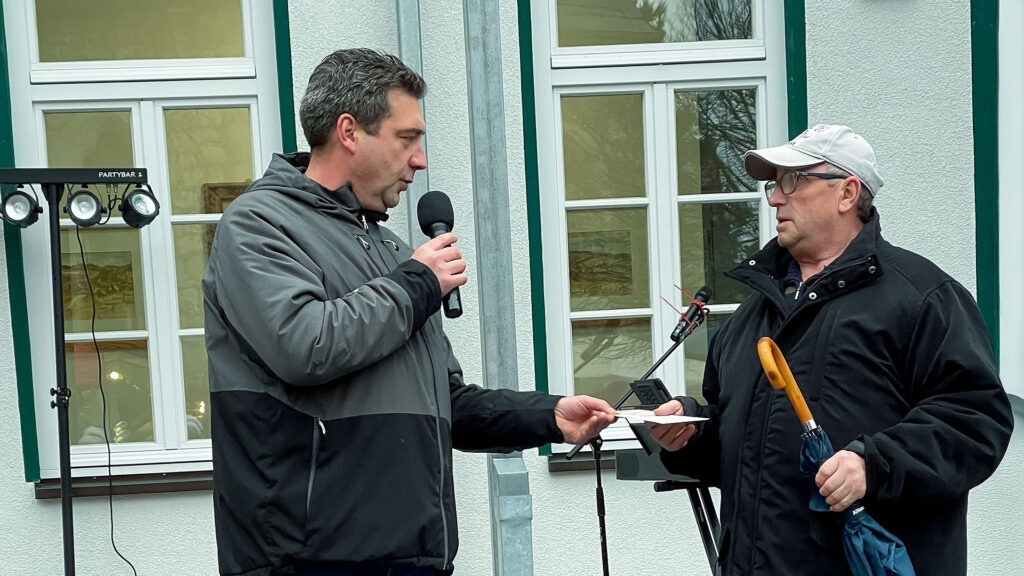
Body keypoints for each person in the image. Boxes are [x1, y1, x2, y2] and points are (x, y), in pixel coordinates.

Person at [202, 48, 616, 576]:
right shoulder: (259, 226)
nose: (419, 160)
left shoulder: (393, 251)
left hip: (414, 556)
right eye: (407, 138)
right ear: (349, 131)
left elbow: (446, 402)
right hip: (308, 560)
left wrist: (547, 416)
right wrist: (419, 282)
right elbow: (304, 346)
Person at [648, 124, 1013, 575]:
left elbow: (975, 422)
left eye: (791, 181)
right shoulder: (749, 317)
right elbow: (740, 450)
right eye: (772, 185)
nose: (775, 199)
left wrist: (873, 465)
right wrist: (691, 434)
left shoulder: (923, 297)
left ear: (847, 193)